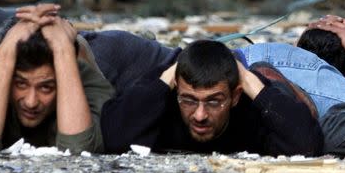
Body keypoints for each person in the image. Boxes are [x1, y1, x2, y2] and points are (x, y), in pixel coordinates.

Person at [0, 6, 113, 153]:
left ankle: (72, 47)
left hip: (70, 66)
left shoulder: (91, 84)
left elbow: (79, 149)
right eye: (21, 84)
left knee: (77, 49)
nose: (31, 102)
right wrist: (5, 53)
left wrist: (63, 50)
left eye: (46, 87)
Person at [100, 39, 323, 156]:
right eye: (188, 100)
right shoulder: (162, 93)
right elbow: (113, 136)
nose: (199, 115)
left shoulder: (249, 104)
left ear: (235, 96)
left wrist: (247, 79)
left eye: (214, 101)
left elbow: (307, 145)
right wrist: (169, 75)